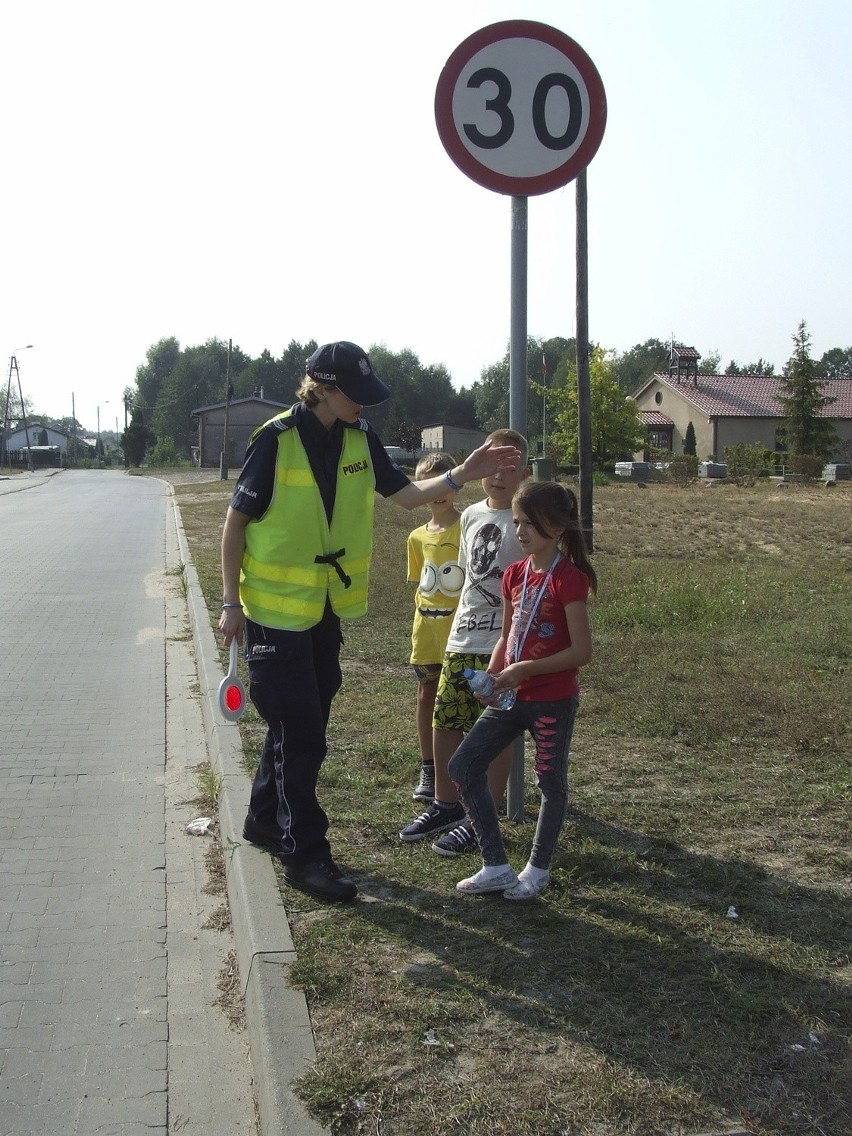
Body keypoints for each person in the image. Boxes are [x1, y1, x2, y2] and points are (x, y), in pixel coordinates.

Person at [218, 341, 522, 904]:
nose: (365, 405)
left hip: (324, 611)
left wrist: (463, 472)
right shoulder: (276, 440)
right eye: (355, 395)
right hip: (272, 616)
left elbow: (409, 496)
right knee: (301, 734)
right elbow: (235, 524)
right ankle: (304, 855)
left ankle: (265, 820)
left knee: (299, 726)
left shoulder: (359, 439)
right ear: (323, 389)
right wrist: (231, 603)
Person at [448, 480, 596, 900]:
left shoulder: (569, 579)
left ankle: (538, 868)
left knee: (549, 781)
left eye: (530, 523)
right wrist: (494, 675)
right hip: (511, 697)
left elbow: (580, 652)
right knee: (463, 766)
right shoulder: (514, 575)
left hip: (552, 699)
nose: (521, 531)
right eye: (517, 522)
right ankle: (495, 864)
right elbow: (507, 633)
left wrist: (525, 668)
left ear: (558, 527)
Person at [399, 428, 530, 855]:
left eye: (510, 466)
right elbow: (467, 579)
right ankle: (445, 803)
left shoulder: (526, 521)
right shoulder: (470, 515)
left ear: (523, 471)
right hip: (461, 636)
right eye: (493, 464)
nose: (500, 474)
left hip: (503, 643)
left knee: (494, 731)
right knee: (445, 720)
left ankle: (484, 815)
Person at [406, 452, 463, 804]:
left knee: (464, 701)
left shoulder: (468, 525)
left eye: (444, 481)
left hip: (462, 632)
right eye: (429, 483)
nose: (437, 492)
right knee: (427, 695)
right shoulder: (415, 537)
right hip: (426, 631)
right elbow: (420, 584)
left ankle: (463, 769)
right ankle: (429, 768)